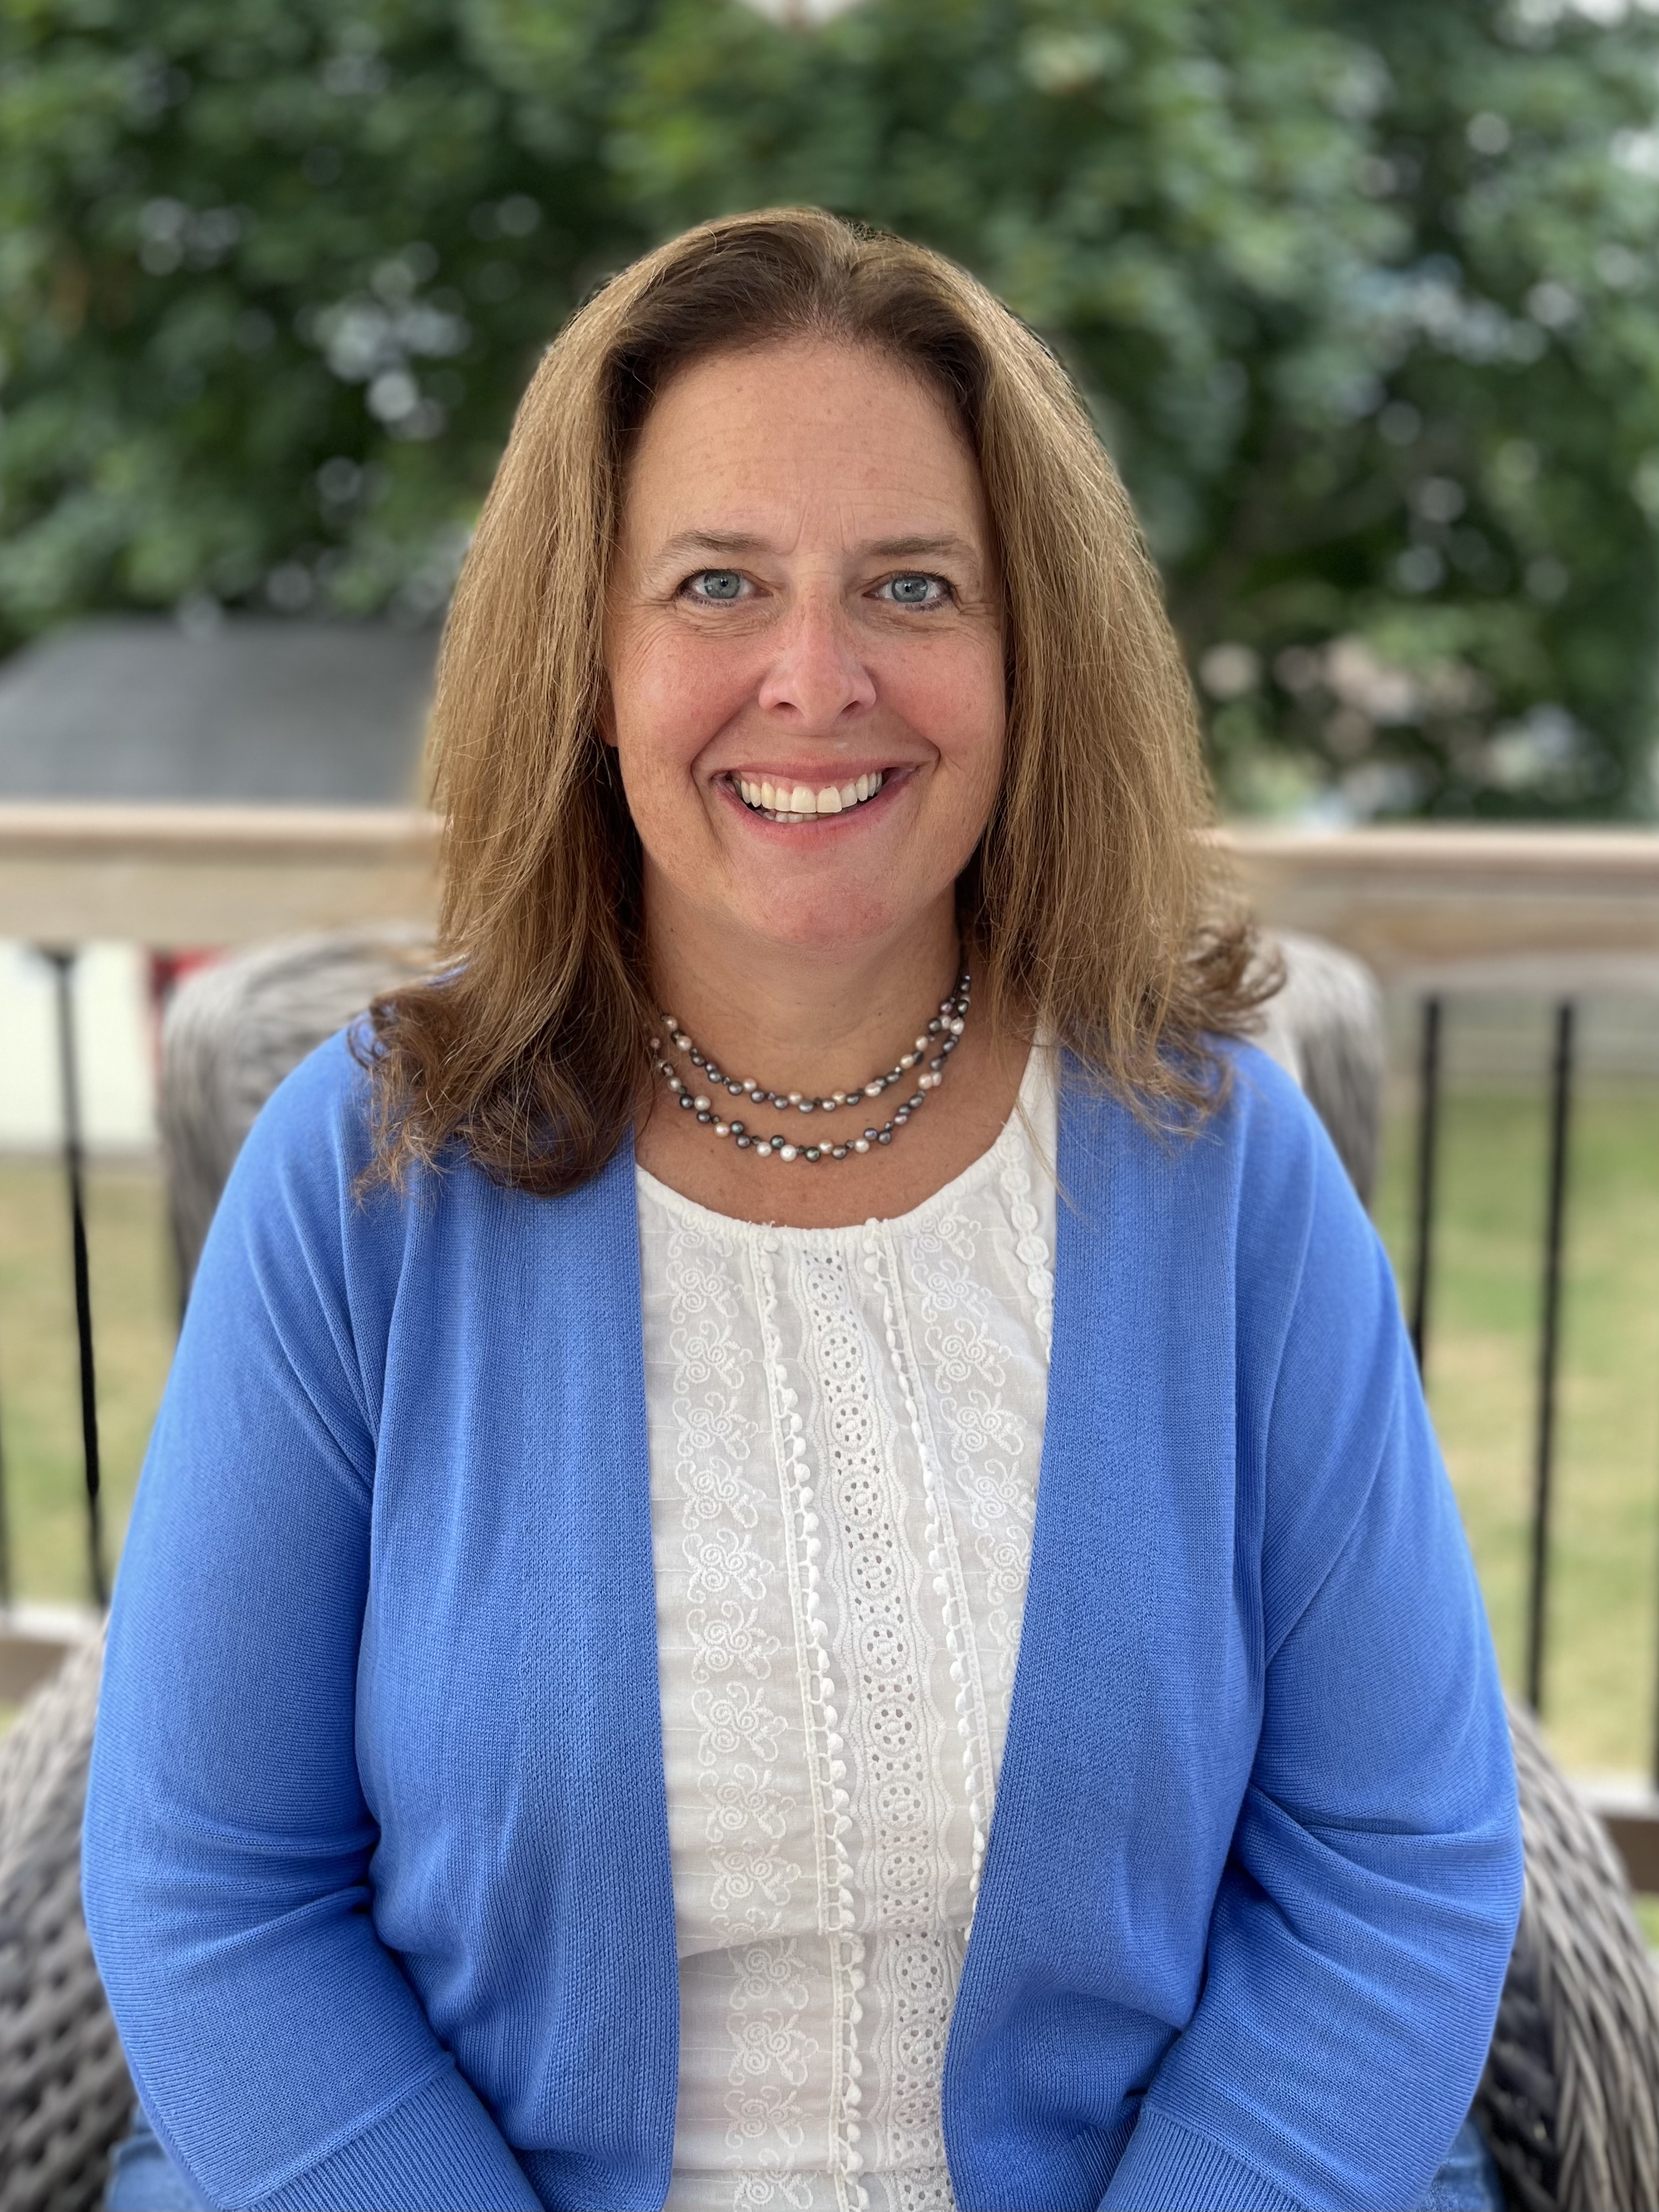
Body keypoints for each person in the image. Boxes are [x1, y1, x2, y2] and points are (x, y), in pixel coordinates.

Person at [85, 208, 1522, 2212]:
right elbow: (211, 1892)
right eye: (717, 585)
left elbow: (1397, 1862)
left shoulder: (1222, 1171)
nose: (814, 678)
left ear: (1027, 659)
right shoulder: (368, 1180)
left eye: (912, 587)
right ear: (591, 660)